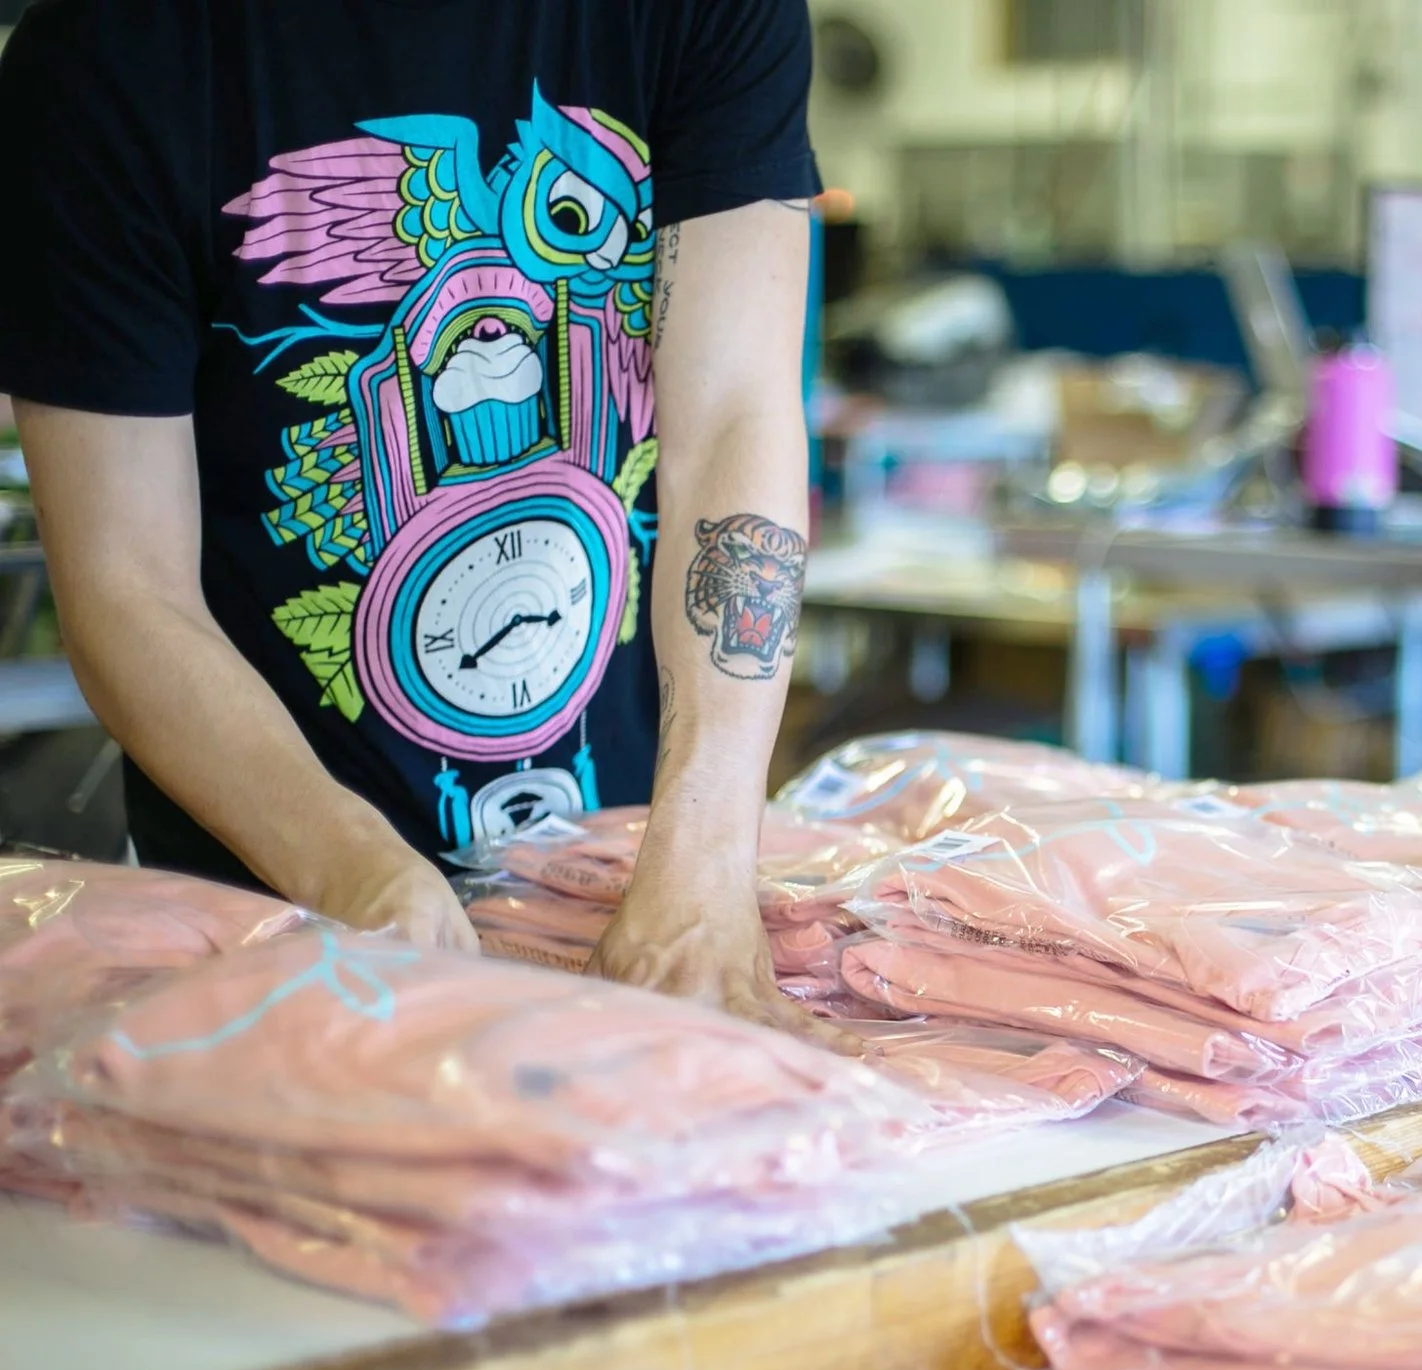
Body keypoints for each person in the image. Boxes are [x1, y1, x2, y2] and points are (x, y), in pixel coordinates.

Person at [0, 0, 822, 1032]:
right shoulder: (106, 57)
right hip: (272, 919)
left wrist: (701, 866)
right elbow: (126, 586)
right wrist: (352, 870)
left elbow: (736, 419)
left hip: (639, 882)